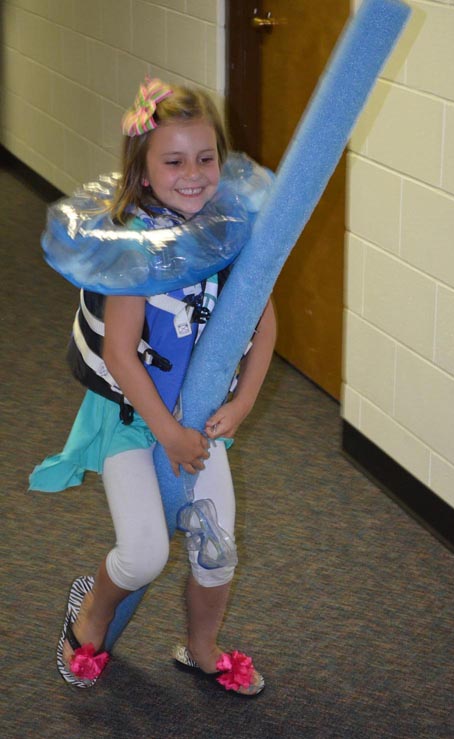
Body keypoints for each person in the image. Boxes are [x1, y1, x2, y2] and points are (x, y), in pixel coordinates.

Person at [30, 78, 276, 696]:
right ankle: (92, 612)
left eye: (205, 158)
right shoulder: (133, 247)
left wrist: (243, 401)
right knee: (143, 555)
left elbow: (263, 321)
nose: (193, 174)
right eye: (173, 161)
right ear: (143, 171)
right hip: (132, 418)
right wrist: (165, 432)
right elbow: (119, 351)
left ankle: (200, 648)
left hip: (195, 416)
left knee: (216, 550)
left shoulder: (226, 230)